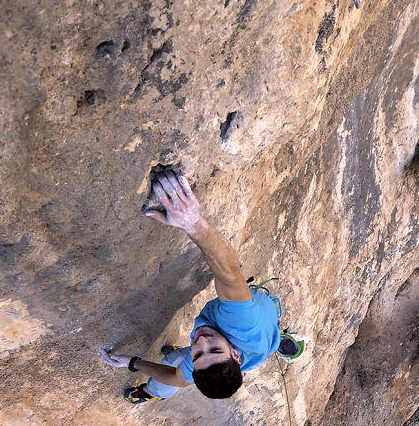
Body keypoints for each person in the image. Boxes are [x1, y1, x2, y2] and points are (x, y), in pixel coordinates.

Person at [99, 169, 305, 403]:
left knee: (176, 363)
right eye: (215, 350)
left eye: (198, 354)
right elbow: (230, 274)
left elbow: (177, 379)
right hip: (257, 330)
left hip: (260, 341)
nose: (202, 341)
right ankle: (155, 390)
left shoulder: (201, 365)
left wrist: (133, 363)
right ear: (235, 355)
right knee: (180, 358)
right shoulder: (242, 324)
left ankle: (151, 393)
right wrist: (192, 222)